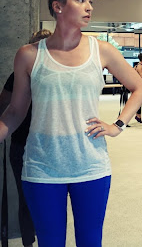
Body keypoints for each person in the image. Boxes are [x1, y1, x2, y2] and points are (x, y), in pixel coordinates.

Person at [0, 0, 142, 246]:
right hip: (42, 166)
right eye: (81, 1)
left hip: (90, 165)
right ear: (58, 7)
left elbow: (139, 88)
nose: (89, 7)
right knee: (50, 243)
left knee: (90, 241)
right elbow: (15, 111)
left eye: (90, 1)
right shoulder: (29, 55)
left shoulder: (102, 50)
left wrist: (117, 125)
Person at [0, 29, 52, 247]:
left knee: (45, 200)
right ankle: (29, 242)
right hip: (22, 145)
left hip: (49, 146)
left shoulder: (54, 77)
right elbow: (4, 105)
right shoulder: (17, 76)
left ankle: (42, 240)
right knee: (26, 198)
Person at [134, 52, 142, 123]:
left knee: (138, 101)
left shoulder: (137, 65)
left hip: (136, 84)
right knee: (139, 101)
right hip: (139, 85)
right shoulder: (140, 66)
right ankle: (138, 115)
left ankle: (138, 115)